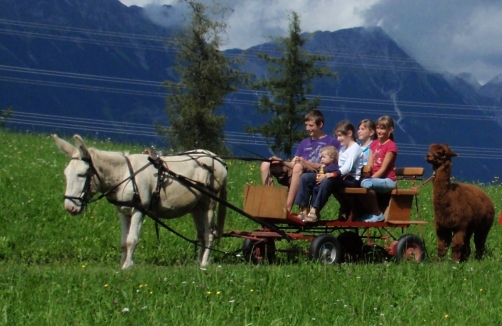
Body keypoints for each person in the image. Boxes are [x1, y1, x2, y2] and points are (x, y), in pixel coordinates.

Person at [260, 110, 340, 212]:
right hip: (297, 171)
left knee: (298, 166)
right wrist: (281, 161)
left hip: (315, 174)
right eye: (306, 125)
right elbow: (293, 163)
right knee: (266, 164)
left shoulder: (332, 142)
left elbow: (330, 166)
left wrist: (305, 162)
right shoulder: (304, 143)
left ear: (320, 124)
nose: (307, 129)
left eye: (311, 125)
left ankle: (287, 208)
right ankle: (272, 204)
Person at [295, 120, 364, 222]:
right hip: (339, 177)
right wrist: (323, 172)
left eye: (340, 136)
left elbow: (347, 168)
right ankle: (303, 210)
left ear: (349, 133)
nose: (338, 139)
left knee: (328, 180)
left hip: (351, 180)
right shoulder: (343, 148)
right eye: (337, 136)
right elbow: (336, 164)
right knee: (306, 177)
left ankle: (315, 211)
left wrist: (330, 174)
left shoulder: (355, 148)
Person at [360, 115, 398, 222]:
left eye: (382, 128)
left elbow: (383, 169)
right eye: (378, 128)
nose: (379, 131)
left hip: (387, 180)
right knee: (357, 183)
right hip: (374, 179)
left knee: (366, 184)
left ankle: (377, 213)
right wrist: (365, 174)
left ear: (390, 129)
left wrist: (369, 179)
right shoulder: (374, 144)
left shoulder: (391, 146)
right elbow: (370, 165)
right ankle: (363, 211)